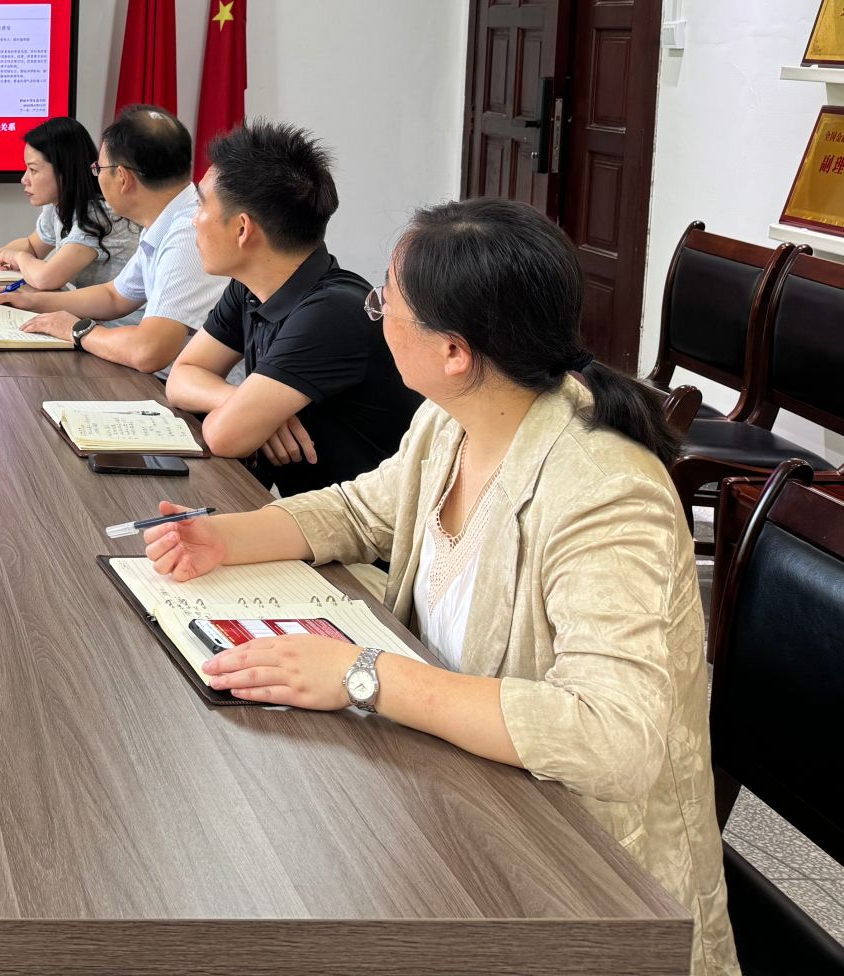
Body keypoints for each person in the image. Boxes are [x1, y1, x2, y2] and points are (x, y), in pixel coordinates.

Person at [143, 198, 735, 976]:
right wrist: (228, 537)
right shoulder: (452, 420)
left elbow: (612, 737)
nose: (377, 316)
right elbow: (362, 510)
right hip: (456, 801)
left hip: (582, 878)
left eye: (386, 302)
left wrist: (364, 675)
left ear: (454, 351)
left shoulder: (605, 494)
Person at [164, 120, 418, 487]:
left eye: (201, 206)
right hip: (303, 510)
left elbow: (223, 435)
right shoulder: (250, 288)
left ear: (242, 229)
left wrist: (243, 413)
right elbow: (182, 376)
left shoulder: (333, 313)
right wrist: (238, 400)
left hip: (363, 522)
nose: (194, 221)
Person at [0, 106, 223, 376]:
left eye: (98, 168)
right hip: (154, 374)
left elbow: (147, 352)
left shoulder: (187, 234)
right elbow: (114, 296)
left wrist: (76, 330)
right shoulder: (165, 220)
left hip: (180, 389)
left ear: (123, 177)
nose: (96, 176)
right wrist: (33, 302)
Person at [0, 116, 138, 292]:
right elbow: (33, 246)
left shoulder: (98, 215)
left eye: (33, 170)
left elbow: (46, 278)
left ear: (64, 170)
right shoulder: (58, 204)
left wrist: (16, 257)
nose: (24, 179)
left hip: (115, 311)